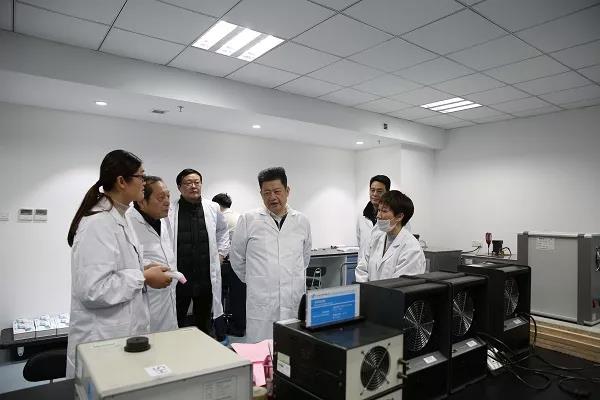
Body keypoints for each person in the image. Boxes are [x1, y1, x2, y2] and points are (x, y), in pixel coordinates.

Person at [66, 150, 172, 378]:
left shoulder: (120, 216)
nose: (144, 182)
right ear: (122, 181)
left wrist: (143, 268)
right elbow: (93, 290)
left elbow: (117, 267)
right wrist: (144, 277)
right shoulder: (98, 222)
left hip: (121, 335)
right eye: (141, 176)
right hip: (101, 339)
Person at [230, 167, 311, 343]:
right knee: (261, 350)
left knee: (291, 349)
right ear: (260, 193)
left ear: (287, 191)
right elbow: (237, 258)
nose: (272, 197)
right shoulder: (248, 219)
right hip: (261, 301)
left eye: (277, 191)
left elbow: (305, 258)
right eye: (267, 193)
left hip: (292, 299)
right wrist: (258, 279)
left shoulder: (302, 221)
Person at [169, 168, 229, 340]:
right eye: (188, 183)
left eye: (197, 182)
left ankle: (204, 348)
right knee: (176, 318)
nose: (193, 186)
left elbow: (223, 231)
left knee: (204, 320)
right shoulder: (170, 209)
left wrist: (221, 254)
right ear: (179, 187)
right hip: (181, 276)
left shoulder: (213, 207)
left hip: (205, 276)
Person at [127, 176, 178, 333]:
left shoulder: (161, 220)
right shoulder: (128, 224)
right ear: (142, 202)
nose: (167, 202)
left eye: (168, 196)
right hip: (144, 304)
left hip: (166, 301)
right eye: (161, 197)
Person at [355, 190, 425, 282]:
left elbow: (401, 284)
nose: (378, 216)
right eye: (378, 210)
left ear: (399, 216)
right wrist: (365, 288)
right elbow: (362, 269)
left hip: (390, 291)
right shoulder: (375, 239)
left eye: (384, 211)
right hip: (368, 290)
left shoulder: (412, 248)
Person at [357, 175, 391, 264]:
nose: (375, 194)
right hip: (363, 266)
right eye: (372, 190)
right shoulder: (361, 216)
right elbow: (360, 243)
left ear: (387, 193)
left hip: (384, 267)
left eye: (379, 191)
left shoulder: (394, 217)